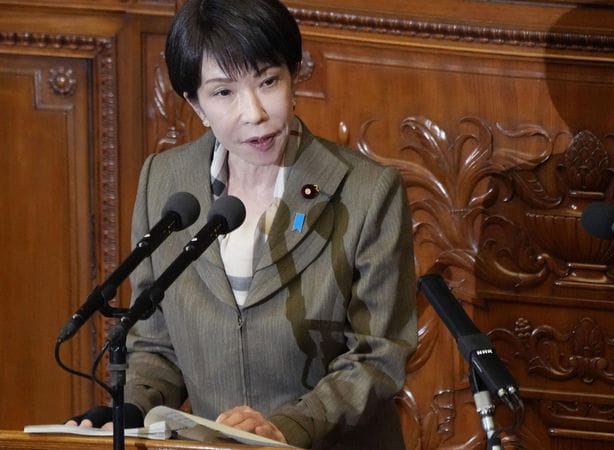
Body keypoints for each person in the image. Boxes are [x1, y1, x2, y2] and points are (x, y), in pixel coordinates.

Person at [67, 0, 418, 448]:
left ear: (294, 75)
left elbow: (378, 354)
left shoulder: (368, 190)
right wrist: (130, 409)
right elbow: (156, 344)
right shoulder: (165, 181)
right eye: (223, 93)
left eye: (268, 81)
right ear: (195, 103)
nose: (254, 113)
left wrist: (286, 428)